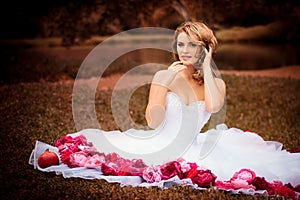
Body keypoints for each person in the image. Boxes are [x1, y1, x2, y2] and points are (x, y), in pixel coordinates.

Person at [29, 21, 300, 192]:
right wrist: (166, 83)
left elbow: (215, 105)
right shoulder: (164, 75)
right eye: (180, 44)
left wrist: (207, 68)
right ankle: (63, 157)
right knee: (116, 153)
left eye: (192, 45)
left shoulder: (216, 83)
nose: (184, 50)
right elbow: (153, 122)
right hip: (160, 141)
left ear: (205, 48)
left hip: (195, 146)